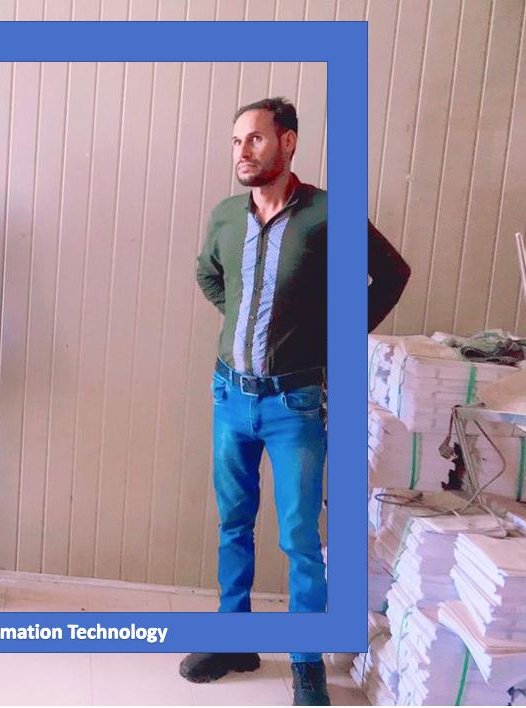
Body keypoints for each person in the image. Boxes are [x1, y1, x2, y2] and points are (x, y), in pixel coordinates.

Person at [183, 96, 410, 706]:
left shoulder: (329, 215)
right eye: (236, 141)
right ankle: (234, 640)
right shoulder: (227, 216)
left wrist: (337, 333)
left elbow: (391, 274)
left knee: (299, 538)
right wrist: (242, 317)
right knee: (233, 523)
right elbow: (208, 274)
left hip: (296, 405)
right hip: (230, 396)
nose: (243, 151)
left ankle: (306, 660)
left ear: (287, 143)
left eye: (255, 138)